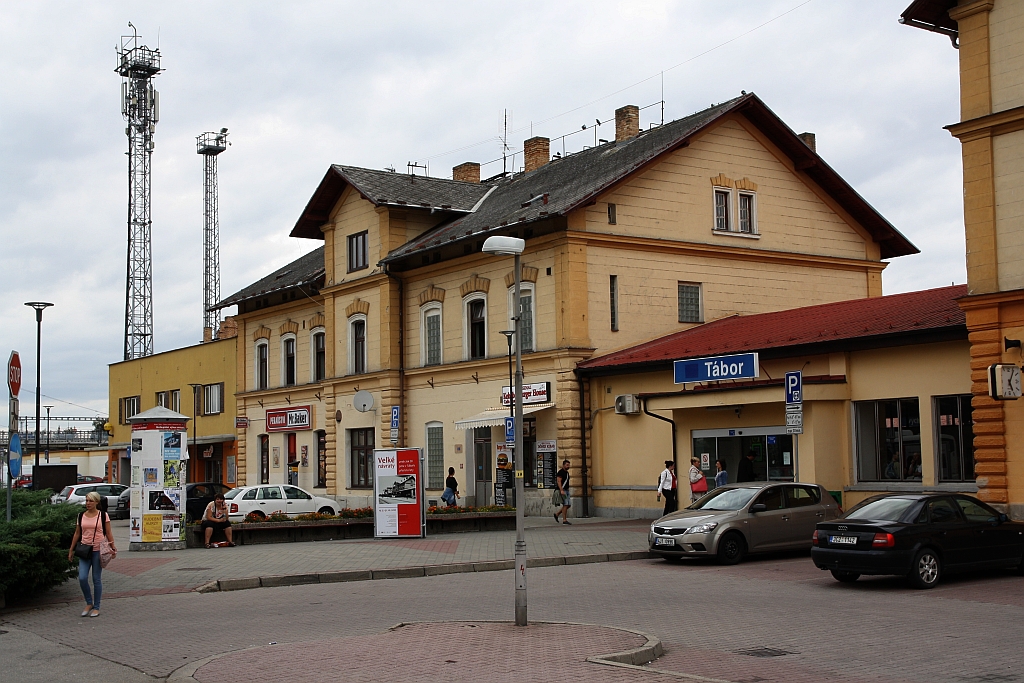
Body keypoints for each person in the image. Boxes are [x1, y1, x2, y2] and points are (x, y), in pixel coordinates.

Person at [67, 491, 116, 617]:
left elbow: (109, 532)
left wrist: (112, 546)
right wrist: (71, 549)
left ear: (97, 502)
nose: (88, 503)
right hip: (84, 550)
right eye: (87, 500)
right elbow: (77, 533)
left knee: (96, 579)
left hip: (98, 550)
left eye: (91, 501)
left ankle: (97, 607)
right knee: (82, 577)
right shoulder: (81, 516)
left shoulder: (103, 516)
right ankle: (89, 603)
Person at [553, 459, 572, 525]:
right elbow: (559, 481)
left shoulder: (567, 473)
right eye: (567, 465)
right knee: (565, 504)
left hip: (566, 490)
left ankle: (557, 514)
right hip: (562, 490)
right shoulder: (560, 472)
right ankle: (564, 520)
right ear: (563, 465)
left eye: (569, 465)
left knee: (568, 505)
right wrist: (561, 490)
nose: (568, 466)